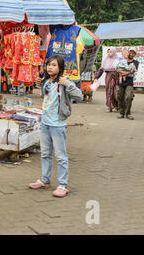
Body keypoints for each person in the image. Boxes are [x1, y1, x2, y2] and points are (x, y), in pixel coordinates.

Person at [28, 55, 83, 198]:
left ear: (60, 68)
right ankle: (45, 180)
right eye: (48, 64)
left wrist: (67, 84)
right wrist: (40, 84)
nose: (50, 67)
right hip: (45, 123)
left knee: (60, 156)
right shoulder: (47, 81)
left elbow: (79, 96)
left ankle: (63, 185)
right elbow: (46, 97)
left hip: (58, 125)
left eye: (53, 65)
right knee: (45, 153)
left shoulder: (64, 82)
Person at [115, 48, 139, 120]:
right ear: (127, 53)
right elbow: (116, 68)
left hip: (129, 82)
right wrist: (122, 71)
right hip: (120, 81)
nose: (131, 54)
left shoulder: (136, 62)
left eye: (133, 53)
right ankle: (121, 113)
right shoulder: (121, 60)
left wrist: (125, 72)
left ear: (135, 54)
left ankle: (128, 113)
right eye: (130, 52)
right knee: (119, 97)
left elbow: (132, 71)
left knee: (129, 97)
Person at [94, 48, 119, 112]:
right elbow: (101, 70)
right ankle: (110, 106)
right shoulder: (106, 59)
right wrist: (96, 77)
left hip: (116, 77)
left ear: (113, 52)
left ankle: (117, 105)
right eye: (108, 52)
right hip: (108, 77)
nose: (109, 53)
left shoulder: (117, 59)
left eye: (110, 52)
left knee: (115, 92)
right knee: (109, 90)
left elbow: (121, 69)